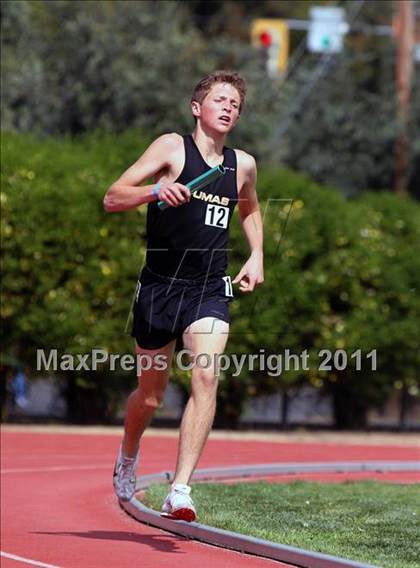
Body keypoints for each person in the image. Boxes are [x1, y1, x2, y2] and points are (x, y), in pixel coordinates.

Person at [103, 70, 264, 521]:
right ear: (198, 107)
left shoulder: (243, 164)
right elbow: (112, 197)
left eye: (235, 103)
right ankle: (129, 452)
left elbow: (249, 205)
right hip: (159, 289)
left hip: (209, 289)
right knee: (150, 397)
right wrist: (156, 190)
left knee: (206, 377)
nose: (229, 107)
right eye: (220, 99)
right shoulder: (172, 147)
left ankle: (180, 489)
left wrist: (257, 255)